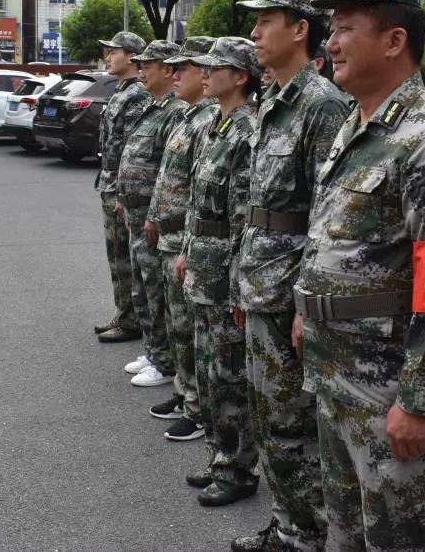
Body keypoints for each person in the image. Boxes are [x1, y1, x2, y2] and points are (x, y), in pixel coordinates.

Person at [295, 0, 425, 551]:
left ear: (394, 40)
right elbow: (332, 237)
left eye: (345, 27)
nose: (328, 44)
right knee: (348, 532)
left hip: (388, 389)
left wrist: (421, 401)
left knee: (402, 537)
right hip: (337, 374)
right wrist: (309, 310)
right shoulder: (357, 127)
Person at [234, 0, 348, 552]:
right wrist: (240, 280)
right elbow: (257, 208)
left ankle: (308, 531)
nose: (254, 33)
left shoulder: (322, 105)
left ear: (300, 29)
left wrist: (306, 300)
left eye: (266, 22)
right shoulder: (275, 99)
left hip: (290, 294)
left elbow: (329, 214)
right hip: (262, 284)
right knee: (270, 418)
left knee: (293, 424)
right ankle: (291, 523)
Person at [178, 36, 262, 507]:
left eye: (216, 66)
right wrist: (188, 250)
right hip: (203, 271)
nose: (204, 72)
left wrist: (237, 286)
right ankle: (219, 456)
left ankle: (237, 469)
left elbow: (242, 220)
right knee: (210, 373)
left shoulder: (247, 132)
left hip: (225, 274)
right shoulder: (215, 125)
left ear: (241, 76)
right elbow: (198, 204)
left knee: (229, 377)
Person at [147, 37, 219, 443]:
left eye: (184, 69)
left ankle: (196, 403)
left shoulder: (210, 120)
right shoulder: (189, 117)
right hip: (174, 236)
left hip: (188, 241)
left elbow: (200, 190)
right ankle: (185, 391)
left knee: (192, 328)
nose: (175, 76)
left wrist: (187, 242)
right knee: (181, 325)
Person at [118, 40, 186, 388]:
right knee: (141, 287)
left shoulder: (175, 110)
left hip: (153, 216)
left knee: (156, 290)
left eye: (149, 64)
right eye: (140, 64)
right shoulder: (153, 106)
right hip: (136, 210)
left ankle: (163, 358)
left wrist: (155, 213)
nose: (142, 70)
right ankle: (153, 348)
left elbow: (167, 170)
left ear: (168, 68)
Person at [94, 32, 152, 343]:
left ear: (131, 56)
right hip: (109, 182)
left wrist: (122, 192)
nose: (107, 57)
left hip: (121, 186)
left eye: (112, 51)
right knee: (116, 255)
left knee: (126, 257)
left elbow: (134, 148)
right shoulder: (122, 91)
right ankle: (124, 313)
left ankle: (132, 320)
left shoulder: (138, 94)